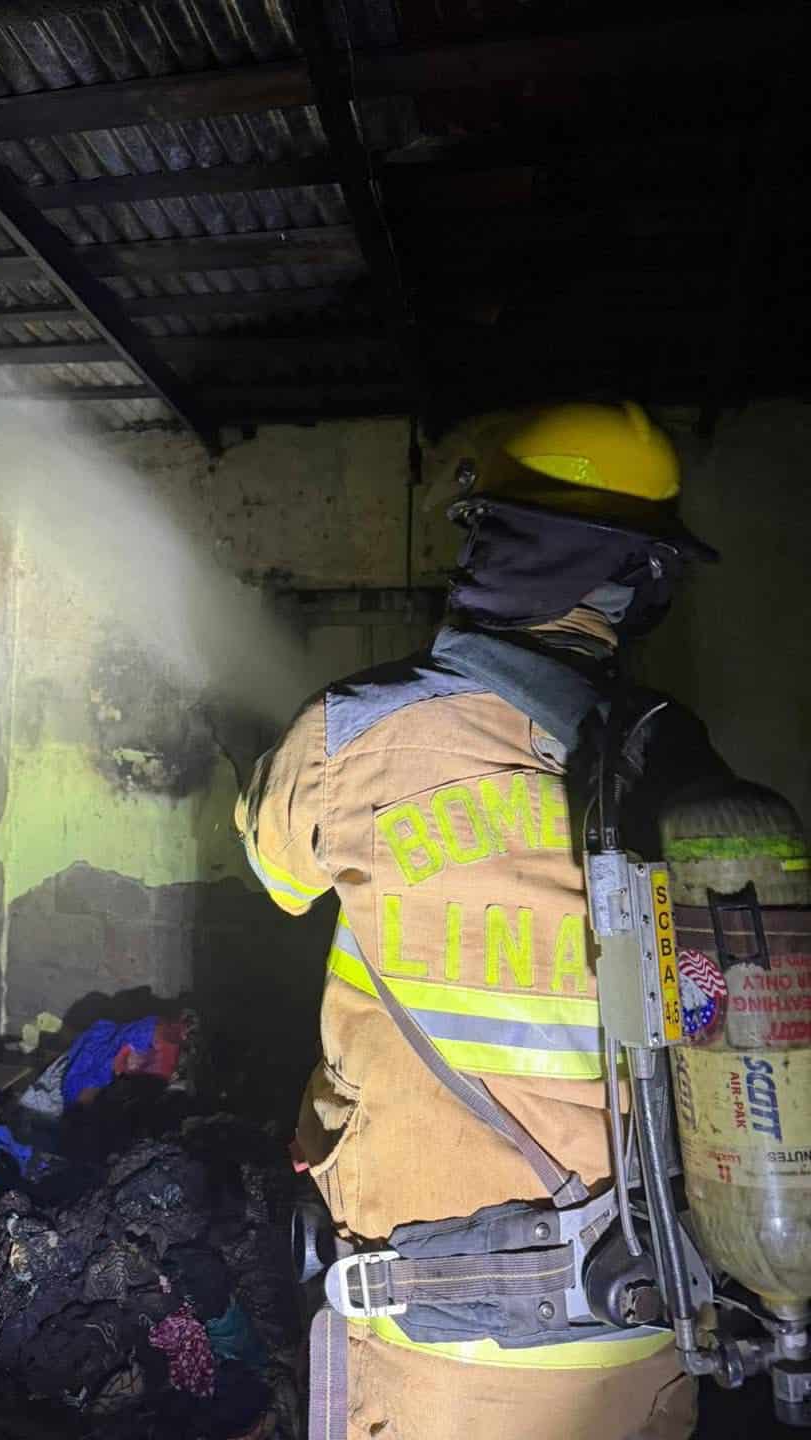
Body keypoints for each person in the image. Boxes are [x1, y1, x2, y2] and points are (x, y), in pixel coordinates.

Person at [235, 402, 723, 1440]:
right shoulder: (683, 763)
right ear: (642, 583)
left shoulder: (356, 730)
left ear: (490, 544)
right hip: (650, 1337)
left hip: (439, 1351)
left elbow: (275, 872)